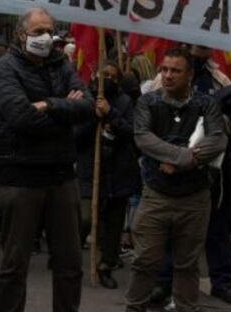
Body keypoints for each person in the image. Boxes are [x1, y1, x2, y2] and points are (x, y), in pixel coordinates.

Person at [0, 8, 92, 312]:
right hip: (21, 177)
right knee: (15, 265)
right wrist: (64, 113)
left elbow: (87, 107)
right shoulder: (6, 68)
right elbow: (20, 117)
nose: (46, 37)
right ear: (21, 35)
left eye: (49, 31)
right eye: (38, 32)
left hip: (61, 177)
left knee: (70, 265)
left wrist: (47, 104)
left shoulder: (61, 64)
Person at [124, 47, 226, 312]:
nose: (168, 75)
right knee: (145, 261)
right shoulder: (148, 102)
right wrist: (183, 157)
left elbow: (217, 139)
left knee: (187, 264)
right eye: (164, 69)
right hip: (156, 197)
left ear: (189, 75)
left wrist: (182, 164)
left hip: (194, 199)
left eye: (175, 71)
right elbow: (144, 138)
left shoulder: (206, 104)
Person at [76, 61, 138, 291]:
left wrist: (110, 114)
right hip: (89, 170)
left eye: (113, 76)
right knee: (84, 218)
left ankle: (106, 265)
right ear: (95, 75)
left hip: (118, 172)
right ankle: (68, 255)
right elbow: (75, 136)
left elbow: (132, 132)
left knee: (113, 224)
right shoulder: (84, 99)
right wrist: (94, 116)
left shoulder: (125, 102)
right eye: (104, 75)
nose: (108, 79)